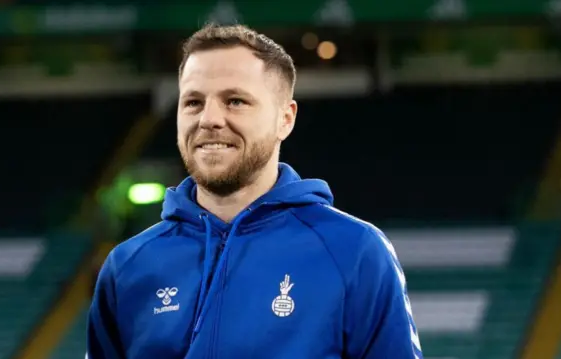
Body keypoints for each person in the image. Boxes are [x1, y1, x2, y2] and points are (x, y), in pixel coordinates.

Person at [87, 23, 423, 359]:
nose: (209, 119)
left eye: (234, 101)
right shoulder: (128, 265)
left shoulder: (354, 252)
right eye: (193, 102)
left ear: (285, 119)